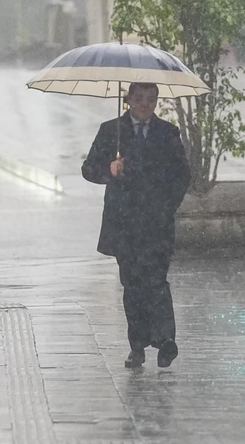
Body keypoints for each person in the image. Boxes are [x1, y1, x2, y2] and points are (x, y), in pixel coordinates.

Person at [81, 81, 191, 370]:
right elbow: (88, 169)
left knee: (156, 282)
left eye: (151, 100)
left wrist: (166, 207)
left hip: (156, 223)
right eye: (139, 99)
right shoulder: (111, 132)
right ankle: (138, 345)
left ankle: (166, 340)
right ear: (128, 99)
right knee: (133, 285)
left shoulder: (168, 133)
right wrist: (110, 169)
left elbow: (181, 175)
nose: (145, 105)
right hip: (124, 224)